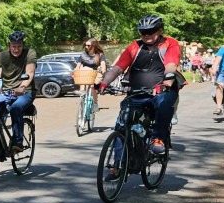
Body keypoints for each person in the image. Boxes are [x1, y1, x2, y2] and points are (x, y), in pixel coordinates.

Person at [98, 15, 183, 157]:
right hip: (136, 91)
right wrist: (104, 83)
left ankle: (158, 139)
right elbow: (118, 67)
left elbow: (170, 64)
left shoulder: (170, 43)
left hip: (161, 89)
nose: (147, 35)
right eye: (143, 32)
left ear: (160, 30)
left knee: (164, 103)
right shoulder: (135, 46)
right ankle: (118, 165)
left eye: (151, 31)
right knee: (122, 124)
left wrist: (166, 83)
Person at [76, 38, 107, 107]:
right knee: (82, 84)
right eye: (85, 45)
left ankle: (95, 103)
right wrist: (76, 70)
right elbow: (78, 66)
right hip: (85, 74)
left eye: (88, 45)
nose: (86, 47)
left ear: (94, 46)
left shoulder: (100, 55)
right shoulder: (83, 55)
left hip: (96, 73)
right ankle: (82, 105)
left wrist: (103, 69)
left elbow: (103, 65)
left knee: (92, 87)